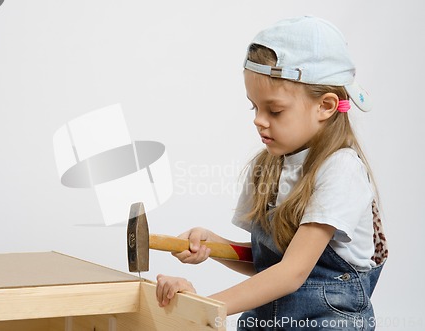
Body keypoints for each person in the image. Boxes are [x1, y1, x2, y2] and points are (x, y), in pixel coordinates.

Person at [155, 16, 388, 330]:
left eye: (274, 110)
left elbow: (292, 272)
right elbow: (269, 264)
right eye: (254, 107)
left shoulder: (340, 169)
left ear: (326, 106)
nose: (259, 120)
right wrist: (214, 244)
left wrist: (207, 307)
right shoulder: (267, 166)